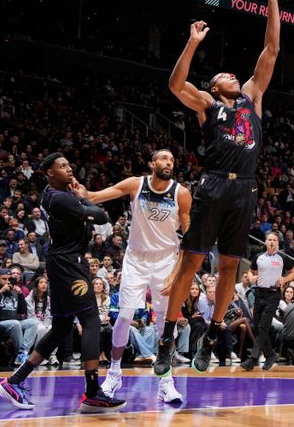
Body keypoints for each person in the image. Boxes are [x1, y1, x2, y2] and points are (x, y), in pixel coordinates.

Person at [158, 0, 280, 377]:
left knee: (229, 267)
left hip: (244, 190)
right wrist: (192, 43)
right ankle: (167, 338)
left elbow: (272, 48)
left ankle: (211, 336)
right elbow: (176, 84)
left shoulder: (252, 96)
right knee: (191, 264)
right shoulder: (209, 103)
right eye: (222, 74)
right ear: (214, 85)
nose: (230, 73)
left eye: (232, 74)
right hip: (212, 184)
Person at [0, 153, 125, 412]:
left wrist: (81, 196)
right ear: (49, 174)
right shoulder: (61, 198)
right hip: (68, 264)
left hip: (64, 262)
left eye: (69, 164)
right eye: (62, 166)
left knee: (61, 327)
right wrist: (84, 196)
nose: (69, 168)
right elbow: (101, 217)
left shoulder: (53, 193)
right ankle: (92, 392)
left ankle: (15, 381)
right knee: (91, 321)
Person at [80, 149, 191, 404]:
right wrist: (79, 189)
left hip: (166, 260)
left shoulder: (181, 193)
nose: (168, 163)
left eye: (172, 160)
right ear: (152, 163)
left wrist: (176, 273)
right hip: (136, 259)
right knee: (126, 315)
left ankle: (166, 382)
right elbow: (96, 196)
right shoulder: (136, 184)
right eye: (164, 159)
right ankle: (114, 373)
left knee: (165, 322)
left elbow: (190, 239)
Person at [241, 231, 294, 371]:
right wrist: (251, 277)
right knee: (256, 327)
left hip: (273, 295)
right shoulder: (258, 257)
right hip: (259, 293)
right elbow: (251, 271)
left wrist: (285, 279)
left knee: (263, 327)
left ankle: (253, 359)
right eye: (269, 239)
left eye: (274, 240)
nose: (271, 242)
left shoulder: (282, 257)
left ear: (277, 243)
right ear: (265, 242)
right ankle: (270, 355)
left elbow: (293, 272)